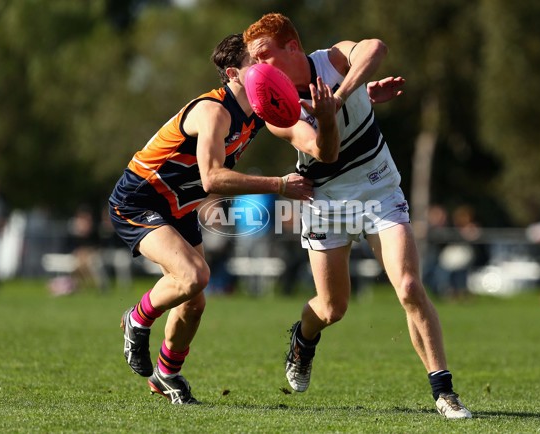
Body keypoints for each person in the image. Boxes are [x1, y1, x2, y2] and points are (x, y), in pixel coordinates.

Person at [244, 13, 472, 419]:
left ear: (293, 47)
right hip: (326, 202)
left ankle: (444, 392)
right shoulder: (276, 107)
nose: (258, 67)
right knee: (333, 308)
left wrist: (348, 94)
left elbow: (375, 47)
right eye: (252, 59)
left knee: (408, 287)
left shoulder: (332, 58)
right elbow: (325, 152)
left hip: (379, 187)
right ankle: (303, 339)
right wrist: (328, 115)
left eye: (264, 55)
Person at [108, 33, 327, 404]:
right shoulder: (214, 112)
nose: (267, 67)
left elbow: (305, 116)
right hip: (139, 200)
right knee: (194, 276)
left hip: (179, 207)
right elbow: (212, 178)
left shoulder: (257, 110)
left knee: (194, 301)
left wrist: (359, 98)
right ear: (233, 73)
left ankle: (167, 374)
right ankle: (137, 319)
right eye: (255, 62)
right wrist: (279, 184)